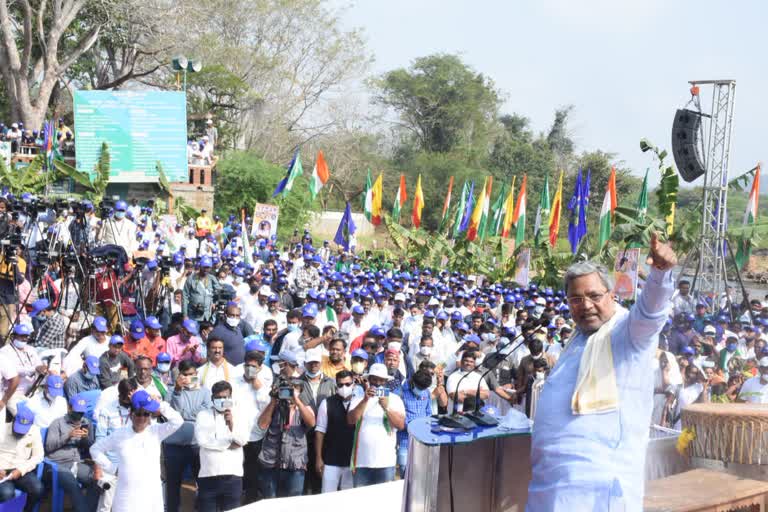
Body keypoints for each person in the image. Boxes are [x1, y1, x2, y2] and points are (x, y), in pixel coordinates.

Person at [527, 233, 676, 511]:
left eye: (594, 295)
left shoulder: (627, 334)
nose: (585, 305)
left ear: (611, 294)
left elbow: (650, 313)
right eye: (575, 299)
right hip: (550, 485)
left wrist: (660, 274)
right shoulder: (577, 339)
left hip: (597, 491)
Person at [90, 390, 183, 512]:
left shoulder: (156, 432)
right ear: (131, 414)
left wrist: (160, 404)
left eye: (146, 414)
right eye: (139, 414)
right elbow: (95, 449)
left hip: (152, 498)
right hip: (126, 499)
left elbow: (178, 421)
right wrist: (112, 468)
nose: (142, 418)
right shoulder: (120, 434)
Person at [257, 371, 316, 498]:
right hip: (271, 463)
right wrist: (273, 400)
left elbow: (311, 423)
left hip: (295, 464)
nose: (290, 392)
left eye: (295, 389)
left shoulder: (304, 408)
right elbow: (262, 425)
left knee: (293, 503)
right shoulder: (274, 407)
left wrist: (297, 401)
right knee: (270, 502)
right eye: (288, 389)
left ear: (300, 391)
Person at [346, 363, 405, 488]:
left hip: (385, 461)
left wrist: (386, 407)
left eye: (381, 380)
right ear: (369, 380)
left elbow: (400, 425)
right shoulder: (358, 397)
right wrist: (365, 400)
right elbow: (350, 420)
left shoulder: (395, 399)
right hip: (362, 462)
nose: (377, 383)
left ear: (386, 382)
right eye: (374, 379)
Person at [194, 380, 250, 512]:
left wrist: (232, 425)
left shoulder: (239, 415)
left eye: (225, 397)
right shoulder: (203, 415)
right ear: (212, 398)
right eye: (218, 398)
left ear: (230, 397)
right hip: (208, 475)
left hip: (232, 476)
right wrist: (228, 443)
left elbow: (243, 440)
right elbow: (202, 440)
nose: (222, 400)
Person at [164, 360, 211, 512]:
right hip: (173, 446)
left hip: (197, 444)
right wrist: (177, 391)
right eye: (185, 374)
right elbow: (173, 414)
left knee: (203, 483)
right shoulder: (171, 391)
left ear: (196, 374)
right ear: (180, 375)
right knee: (172, 485)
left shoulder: (205, 392)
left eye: (192, 374)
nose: (189, 377)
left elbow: (204, 414)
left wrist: (184, 414)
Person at [44, 394, 101, 511]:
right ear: (69, 408)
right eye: (77, 412)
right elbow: (48, 447)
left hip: (76, 462)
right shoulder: (57, 423)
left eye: (82, 412)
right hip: (57, 464)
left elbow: (91, 448)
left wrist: (85, 438)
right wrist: (68, 436)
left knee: (97, 480)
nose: (79, 416)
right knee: (72, 483)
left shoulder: (86, 422)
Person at [232, 349, 270, 504]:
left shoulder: (264, 385)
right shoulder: (234, 382)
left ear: (260, 368)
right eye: (247, 365)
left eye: (254, 366)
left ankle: (251, 500)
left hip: (255, 435)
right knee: (237, 469)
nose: (250, 369)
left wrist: (258, 386)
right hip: (237, 433)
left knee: (252, 470)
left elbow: (267, 407)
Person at [315, 370, 356, 493]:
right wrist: (318, 458)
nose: (344, 387)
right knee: (327, 497)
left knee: (349, 500)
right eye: (340, 385)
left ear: (353, 384)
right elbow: (320, 431)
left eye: (348, 384)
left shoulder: (360, 402)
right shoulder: (326, 403)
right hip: (331, 460)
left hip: (352, 462)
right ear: (336, 385)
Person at [0, 405, 44, 512]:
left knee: (38, 489)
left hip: (21, 469)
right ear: (14, 420)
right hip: (2, 471)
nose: (20, 433)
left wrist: (21, 469)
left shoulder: (34, 431)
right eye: (18, 429)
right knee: (7, 493)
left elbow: (38, 456)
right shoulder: (2, 429)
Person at [396, 368, 432, 478]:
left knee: (420, 471)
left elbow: (428, 412)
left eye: (423, 388)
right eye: (419, 387)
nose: (421, 390)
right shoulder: (399, 392)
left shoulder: (426, 392)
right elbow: (397, 415)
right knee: (404, 469)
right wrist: (411, 426)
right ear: (412, 381)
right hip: (404, 439)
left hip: (421, 439)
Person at [182, 256, 219, 323]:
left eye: (208, 268)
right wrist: (185, 315)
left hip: (207, 315)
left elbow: (218, 292)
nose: (206, 270)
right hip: (193, 315)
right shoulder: (191, 278)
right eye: (204, 267)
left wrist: (214, 302)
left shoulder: (212, 278)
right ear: (200, 267)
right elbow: (185, 296)